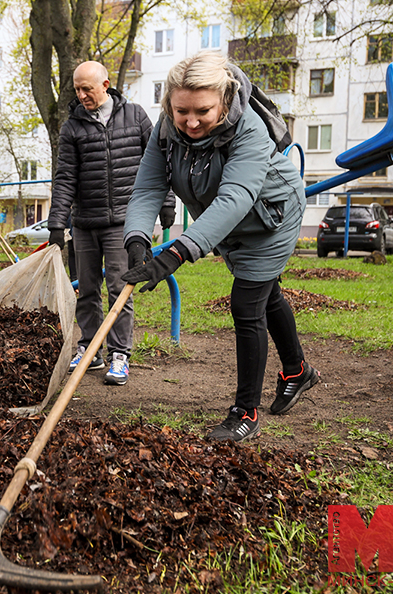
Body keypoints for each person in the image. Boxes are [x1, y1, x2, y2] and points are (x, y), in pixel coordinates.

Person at [122, 50, 319, 442]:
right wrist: (137, 238)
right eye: (182, 112)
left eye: (203, 111)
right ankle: (298, 372)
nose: (191, 122)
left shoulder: (249, 129)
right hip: (226, 222)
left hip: (270, 218)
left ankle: (245, 412)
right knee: (266, 293)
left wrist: (177, 252)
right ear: (169, 105)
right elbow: (148, 187)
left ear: (225, 101)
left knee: (247, 304)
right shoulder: (165, 130)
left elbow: (236, 196)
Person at [47, 60, 172, 387]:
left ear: (105, 85)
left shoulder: (135, 116)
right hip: (85, 222)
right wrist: (57, 223)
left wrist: (167, 205)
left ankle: (119, 353)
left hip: (124, 222)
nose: (81, 95)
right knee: (87, 289)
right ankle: (91, 346)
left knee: (119, 287)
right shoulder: (73, 126)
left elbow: (161, 162)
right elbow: (65, 178)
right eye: (76, 89)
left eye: (86, 88)